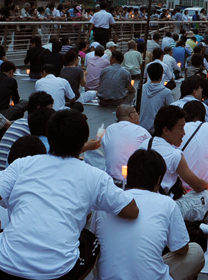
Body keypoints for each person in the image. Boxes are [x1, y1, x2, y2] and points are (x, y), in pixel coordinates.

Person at [0, 109, 138, 280]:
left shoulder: (22, 164)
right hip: (56, 271)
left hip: (5, 263)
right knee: (90, 240)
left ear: (49, 137)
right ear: (83, 141)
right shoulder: (94, 176)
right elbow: (131, 211)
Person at [91, 149, 205, 280]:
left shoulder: (107, 204)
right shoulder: (166, 203)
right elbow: (182, 249)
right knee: (195, 252)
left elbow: (94, 245)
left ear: (129, 174)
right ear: (158, 179)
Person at [139, 106, 208, 200]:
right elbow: (197, 185)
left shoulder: (144, 144)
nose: (184, 133)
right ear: (166, 130)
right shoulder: (174, 155)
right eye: (181, 128)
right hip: (166, 203)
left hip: (141, 199)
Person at [0, 91, 54, 171]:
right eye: (50, 109)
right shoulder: (36, 126)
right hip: (9, 169)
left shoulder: (19, 122)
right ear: (39, 109)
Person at [102, 104, 151, 184]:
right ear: (131, 115)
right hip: (134, 180)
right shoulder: (142, 131)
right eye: (137, 112)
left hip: (111, 178)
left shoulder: (109, 129)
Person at [139, 62, 174, 133]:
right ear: (161, 76)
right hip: (157, 129)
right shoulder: (166, 92)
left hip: (141, 126)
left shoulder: (141, 89)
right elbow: (172, 111)